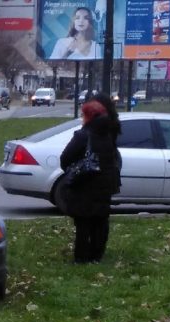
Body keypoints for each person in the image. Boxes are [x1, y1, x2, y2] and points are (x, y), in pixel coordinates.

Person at [59, 100, 121, 264]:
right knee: (100, 221)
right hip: (105, 184)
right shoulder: (108, 134)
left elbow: (65, 159)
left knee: (83, 223)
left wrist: (73, 170)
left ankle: (81, 258)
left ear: (87, 116)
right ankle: (97, 256)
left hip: (85, 185)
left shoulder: (83, 135)